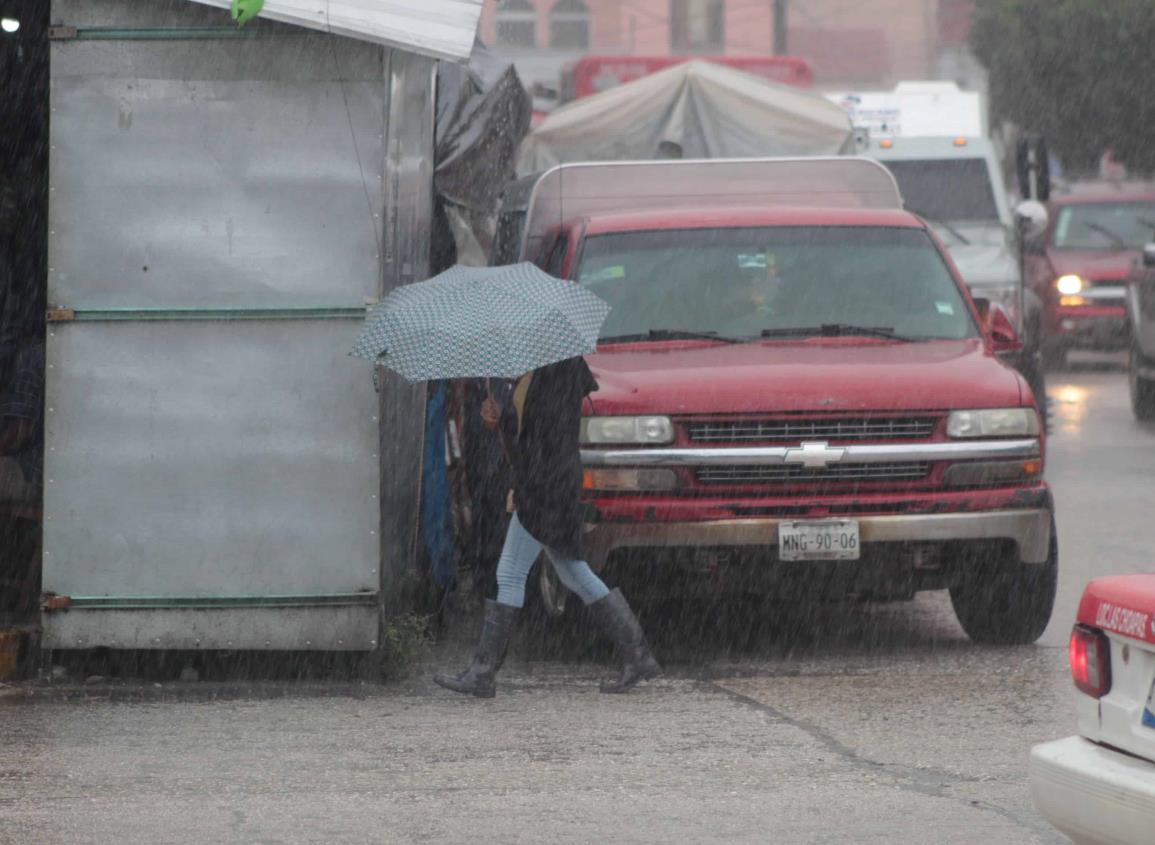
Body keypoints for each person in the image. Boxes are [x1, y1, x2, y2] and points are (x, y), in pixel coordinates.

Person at [434, 356, 661, 698]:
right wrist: (500, 422)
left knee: (516, 573)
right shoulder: (540, 370)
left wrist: (518, 478)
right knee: (571, 571)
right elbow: (533, 433)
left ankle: (483, 672)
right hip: (548, 483)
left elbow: (545, 436)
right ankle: (637, 655)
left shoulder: (554, 371)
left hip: (546, 487)